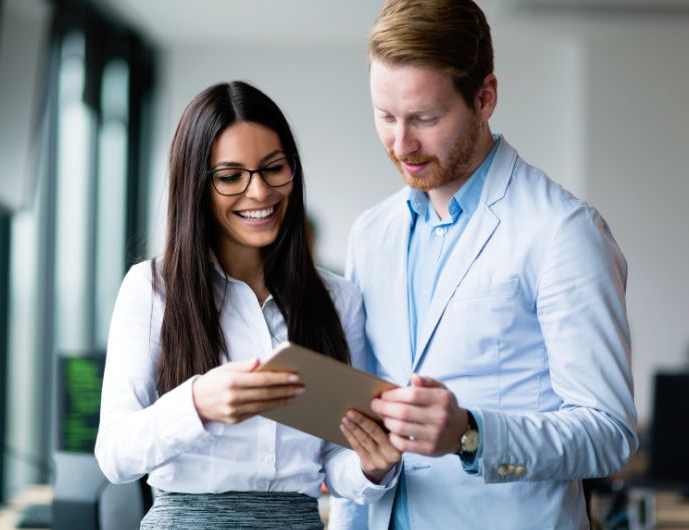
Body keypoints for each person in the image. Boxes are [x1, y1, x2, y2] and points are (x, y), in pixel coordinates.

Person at [329, 1, 638, 528]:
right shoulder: (369, 234)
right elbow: (351, 422)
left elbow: (609, 435)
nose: (401, 144)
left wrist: (471, 435)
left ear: (485, 97)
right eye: (385, 116)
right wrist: (362, 468)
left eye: (425, 118)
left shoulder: (563, 230)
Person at [94, 81, 400, 530]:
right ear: (196, 187)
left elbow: (334, 461)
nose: (259, 193)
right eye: (231, 176)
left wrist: (373, 466)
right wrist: (199, 403)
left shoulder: (338, 299)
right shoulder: (151, 288)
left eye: (273, 168)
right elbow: (115, 455)